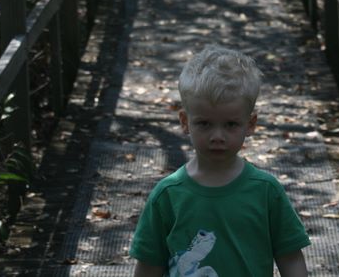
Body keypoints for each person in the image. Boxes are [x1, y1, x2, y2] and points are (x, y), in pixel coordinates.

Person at [130, 45, 310, 276]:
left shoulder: (266, 191)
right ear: (185, 122)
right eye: (204, 123)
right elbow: (148, 265)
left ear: (250, 124)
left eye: (231, 124)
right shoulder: (167, 195)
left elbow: (291, 258)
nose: (217, 136)